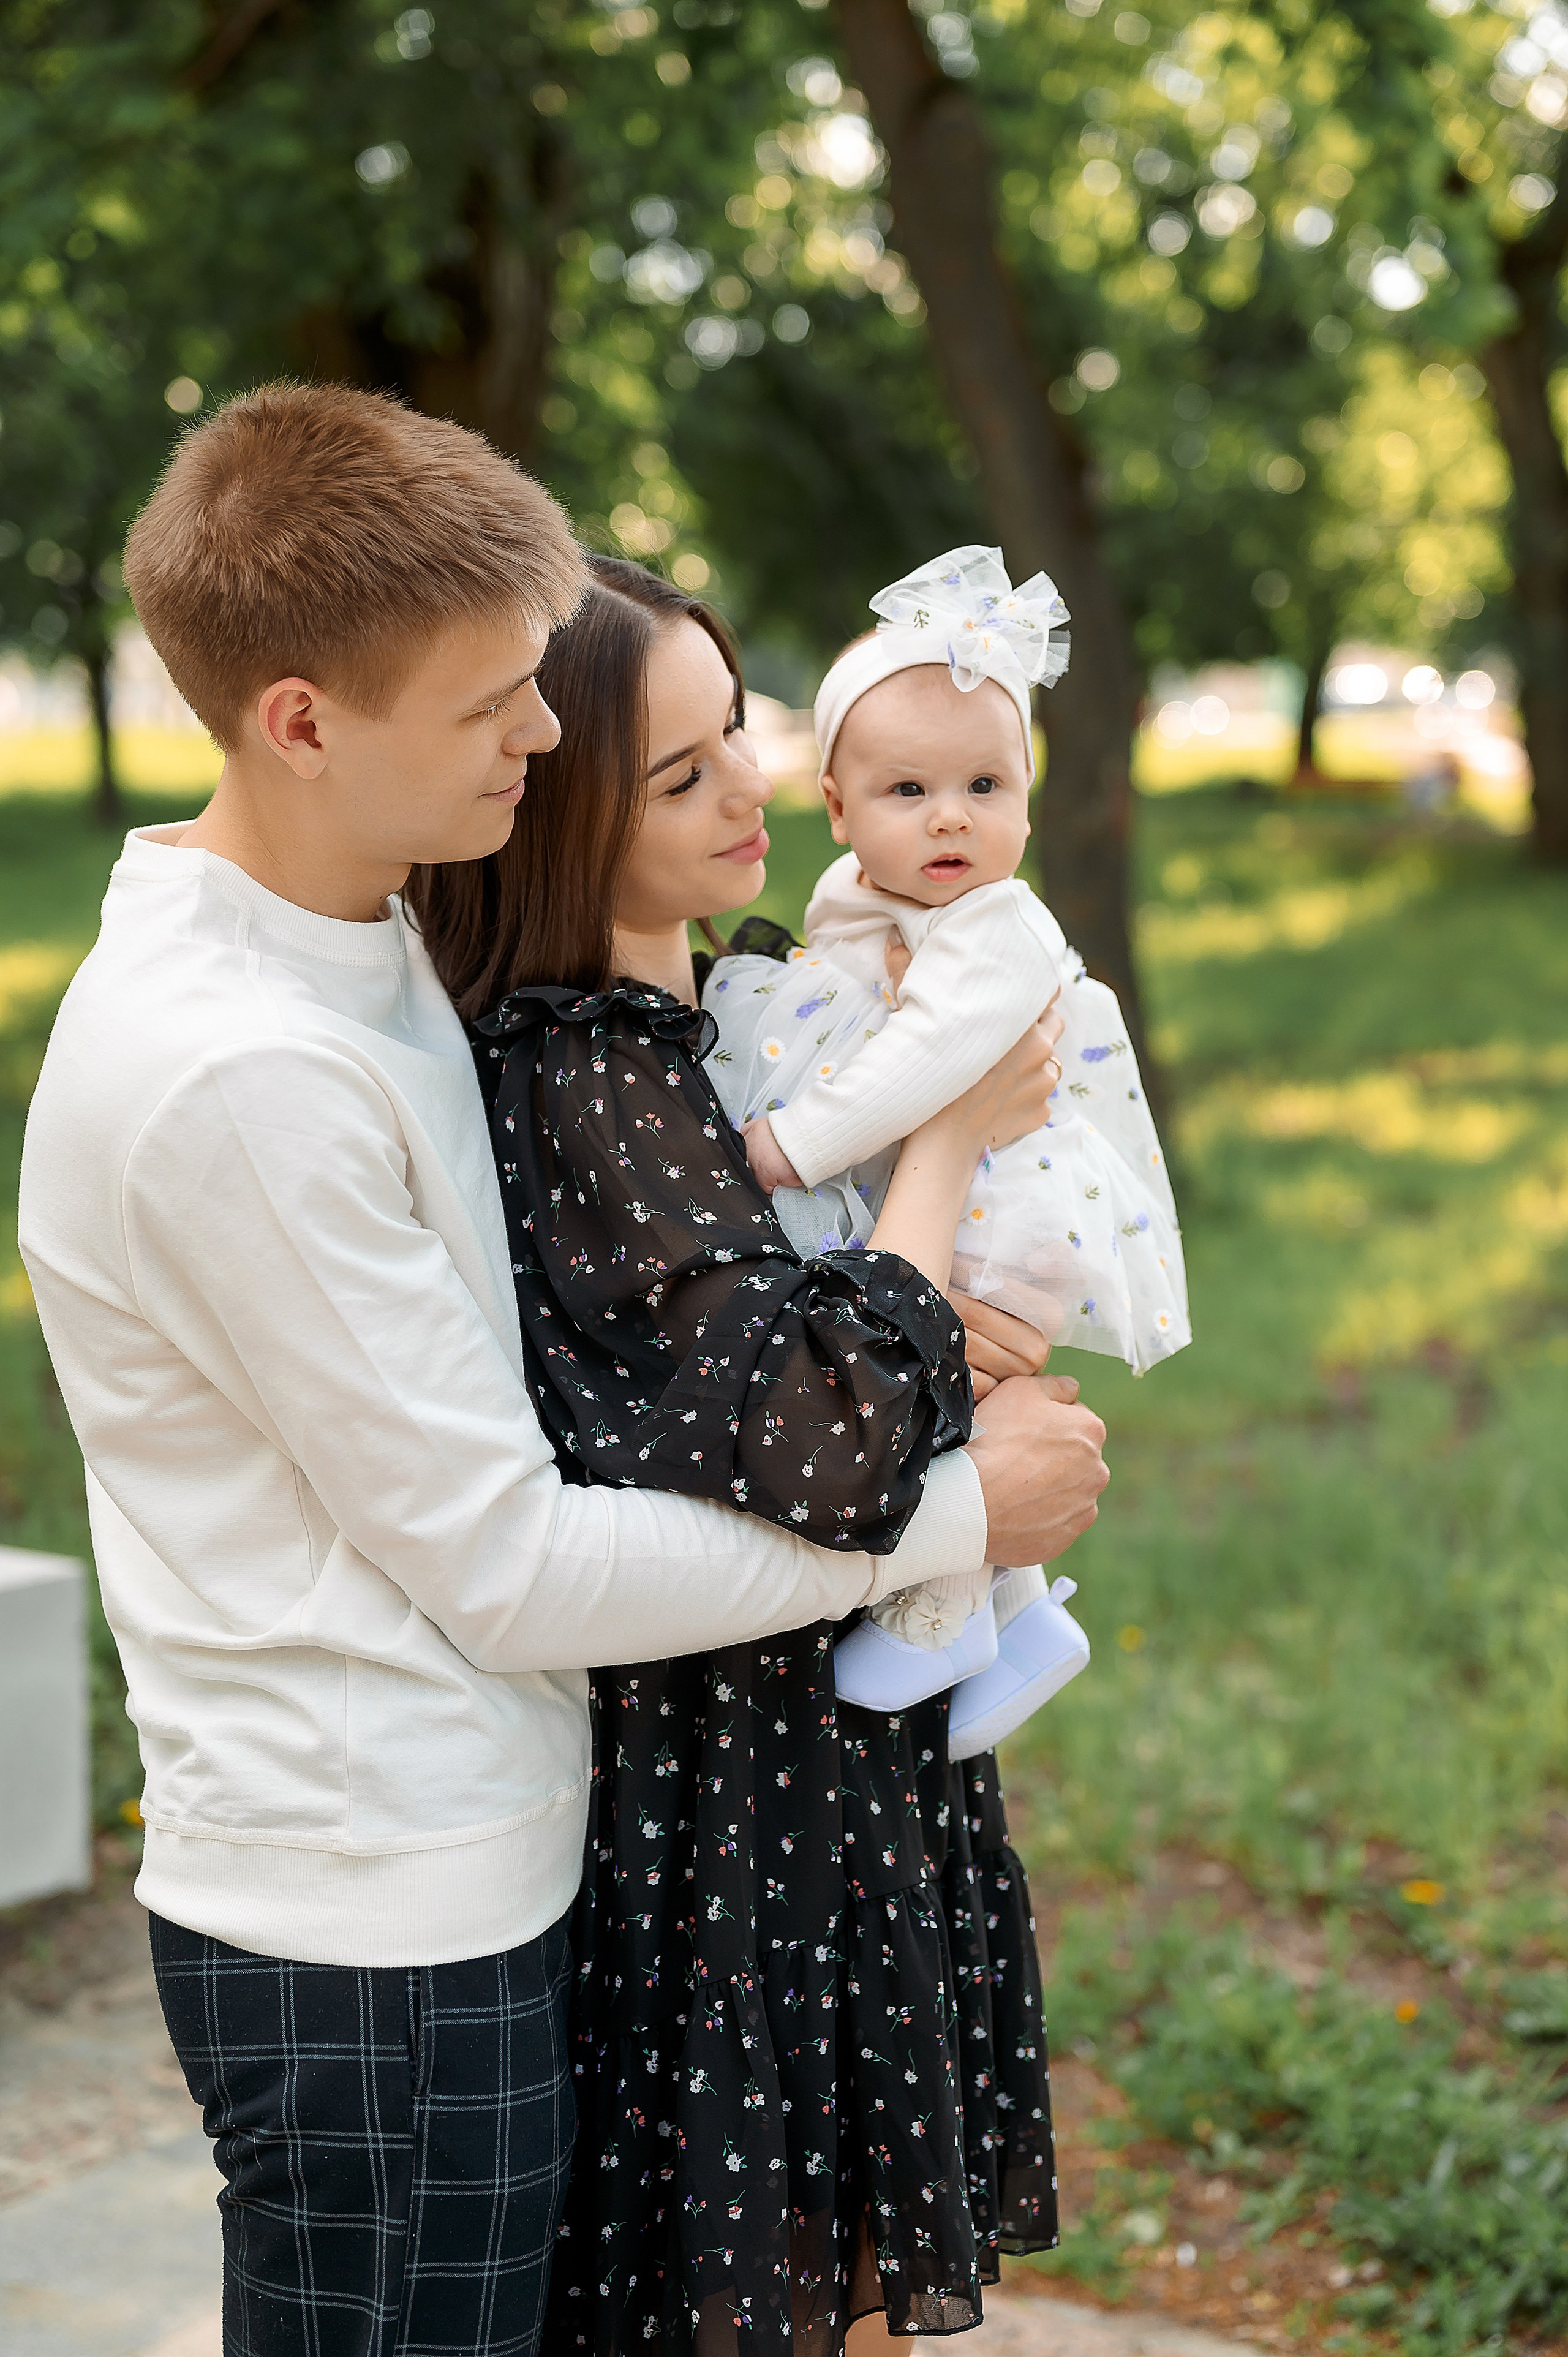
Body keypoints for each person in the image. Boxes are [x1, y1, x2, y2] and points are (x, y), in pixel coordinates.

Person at [16, 388, 1109, 2357]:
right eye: (494, 706)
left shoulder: (357, 956)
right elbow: (511, 1563)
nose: (541, 734)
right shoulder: (242, 1074)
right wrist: (955, 1507)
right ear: (301, 721)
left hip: (486, 1850)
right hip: (373, 1919)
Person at [409, 557, 1082, 2354]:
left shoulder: (726, 1010)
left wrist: (960, 1331)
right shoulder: (591, 1071)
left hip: (825, 1738)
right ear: (549, 807)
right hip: (746, 1781)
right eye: (683, 773)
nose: (754, 795)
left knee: (834, 2263)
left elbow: (870, 1341)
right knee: (787, 2283)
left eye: (743, 740)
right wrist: (943, 1148)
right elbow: (835, 1431)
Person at [708, 547, 1185, 1756]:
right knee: (959, 1388)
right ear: (836, 808)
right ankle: (1023, 1620)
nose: (950, 816)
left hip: (1005, 1204)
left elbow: (925, 1064)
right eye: (906, 790)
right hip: (969, 1184)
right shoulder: (878, 908)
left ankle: (939, 1610)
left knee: (947, 1388)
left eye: (984, 783)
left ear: (1028, 796)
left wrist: (790, 1143)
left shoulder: (991, 928)